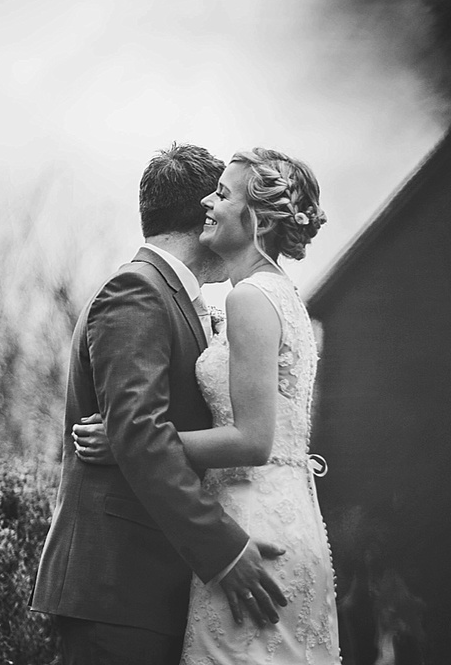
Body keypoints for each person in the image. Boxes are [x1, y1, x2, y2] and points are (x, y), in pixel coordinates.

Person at [71, 148, 338, 663]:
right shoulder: (259, 296)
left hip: (253, 526)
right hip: (260, 525)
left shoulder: (248, 299)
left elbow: (249, 439)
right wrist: (134, 441)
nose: (207, 204)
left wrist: (129, 443)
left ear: (254, 217)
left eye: (220, 193)